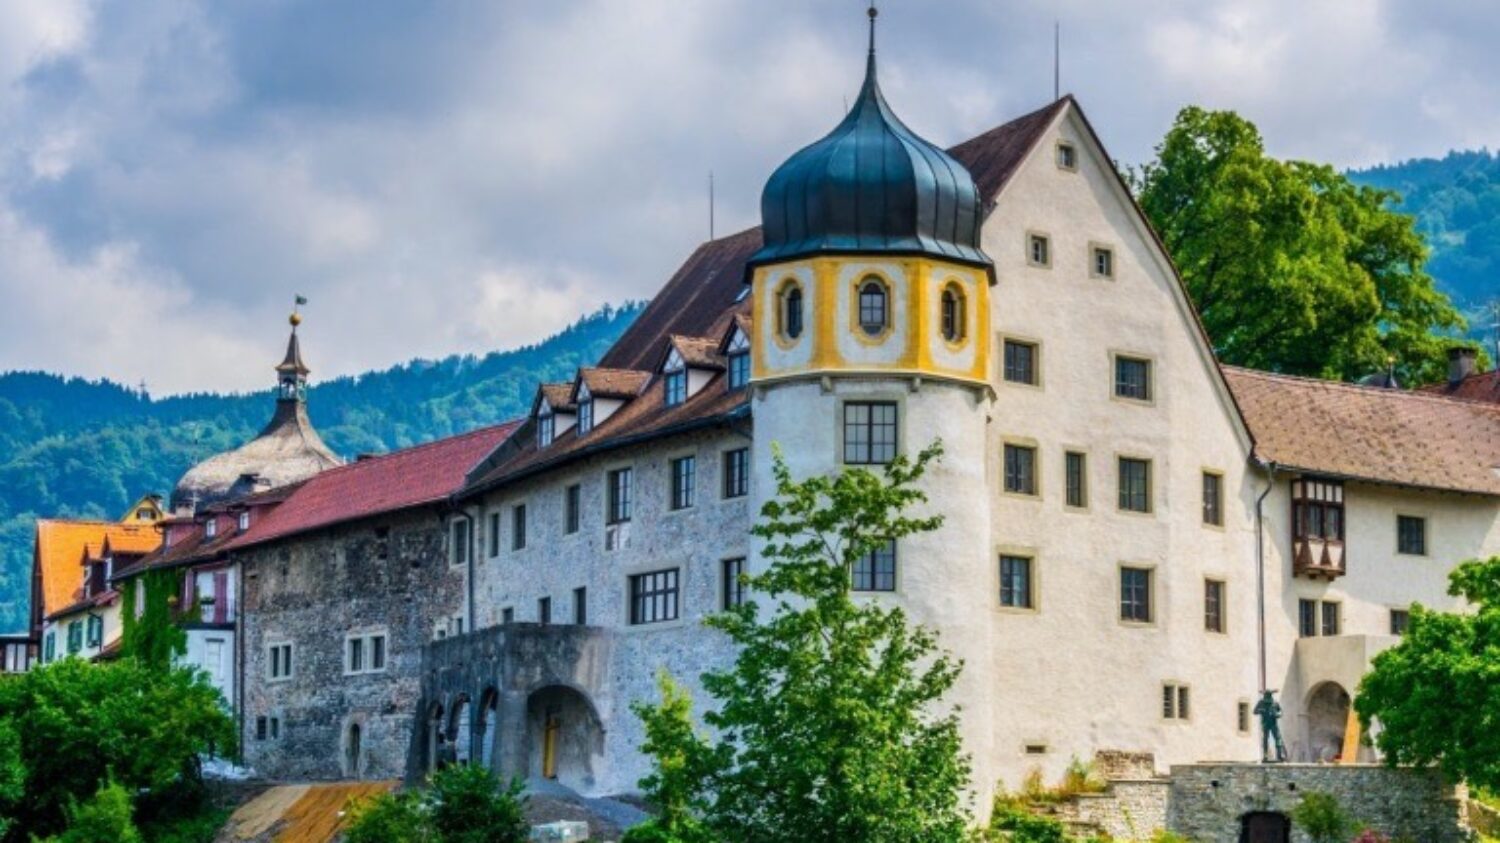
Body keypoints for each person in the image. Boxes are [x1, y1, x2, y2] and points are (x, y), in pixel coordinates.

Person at [1254, 689, 1288, 763]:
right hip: (1265, 723)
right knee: (1265, 739)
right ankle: (1265, 755)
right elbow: (1255, 711)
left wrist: (1277, 715)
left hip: (1273, 723)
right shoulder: (1261, 702)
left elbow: (1280, 711)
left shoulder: (1275, 703)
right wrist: (1261, 710)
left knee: (1278, 738)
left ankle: (1279, 755)